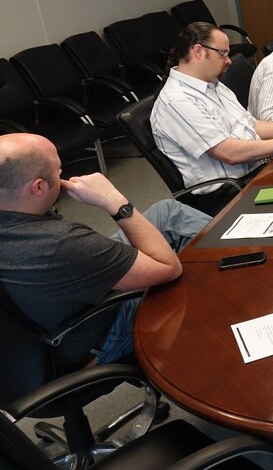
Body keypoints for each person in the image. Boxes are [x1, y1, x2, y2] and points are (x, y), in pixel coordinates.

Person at [0, 133, 209, 369]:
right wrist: (114, 201)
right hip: (92, 337)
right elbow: (168, 268)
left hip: (39, 328)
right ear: (38, 187)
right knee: (181, 276)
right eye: (59, 171)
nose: (62, 175)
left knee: (167, 213)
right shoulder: (61, 244)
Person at [151, 22, 273, 215]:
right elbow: (230, 153)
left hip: (254, 172)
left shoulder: (213, 84)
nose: (229, 60)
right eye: (223, 54)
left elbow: (252, 125)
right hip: (227, 194)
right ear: (198, 51)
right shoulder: (177, 100)